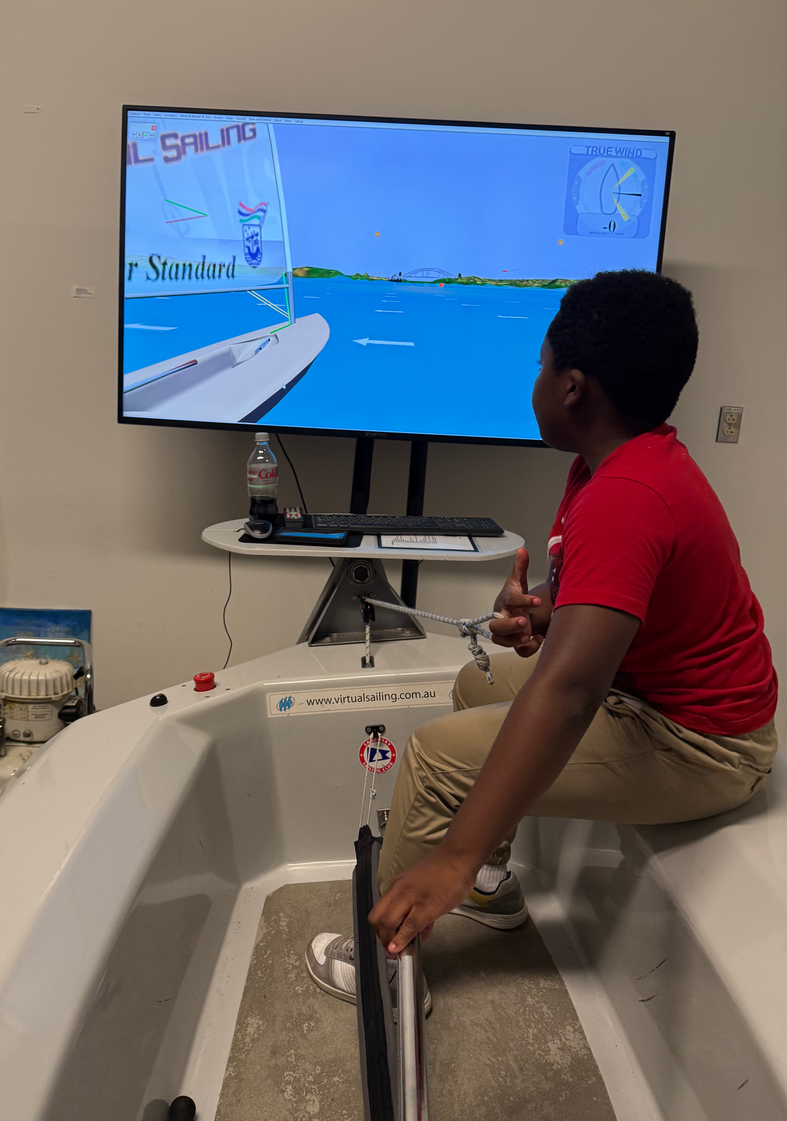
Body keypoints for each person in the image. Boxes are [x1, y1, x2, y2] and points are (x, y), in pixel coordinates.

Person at [306, 268, 778, 1005]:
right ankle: (493, 888)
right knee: (475, 682)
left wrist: (451, 857)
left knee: (433, 759)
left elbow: (569, 692)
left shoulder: (626, 496)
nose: (537, 378)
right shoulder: (621, 461)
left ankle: (387, 966)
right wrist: (541, 611)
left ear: (572, 388)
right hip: (650, 695)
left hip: (703, 745)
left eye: (541, 362)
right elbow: (611, 599)